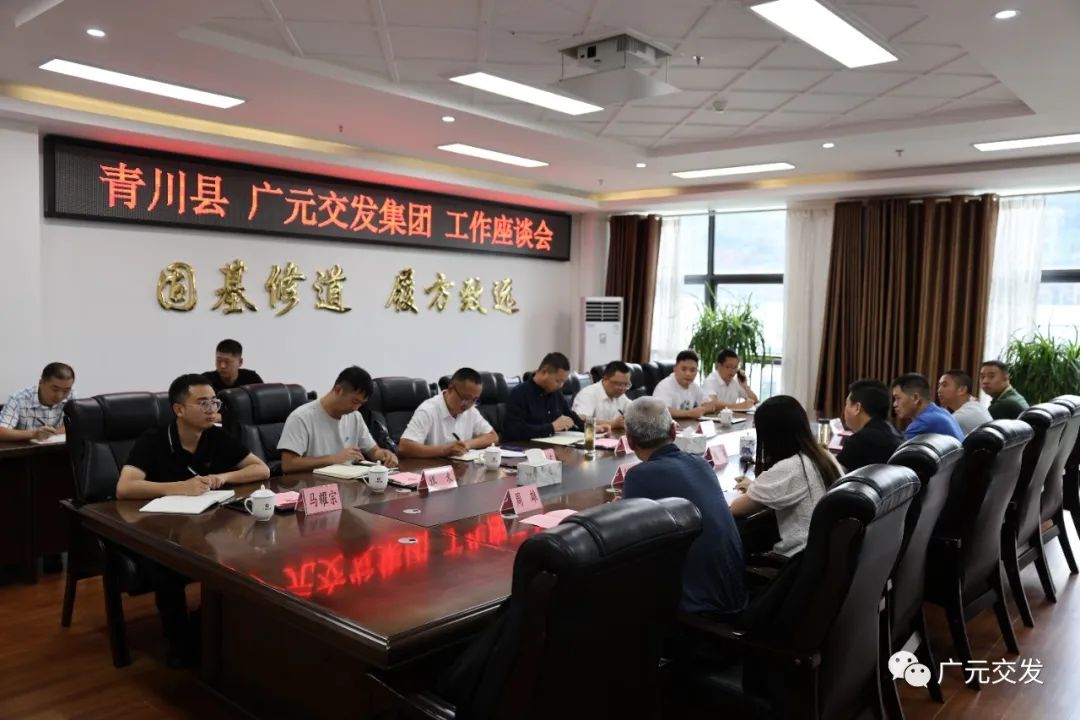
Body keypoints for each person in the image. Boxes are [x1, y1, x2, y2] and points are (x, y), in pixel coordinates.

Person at [116, 373, 270, 666]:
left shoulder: (216, 435)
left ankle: (210, 626)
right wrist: (178, 487)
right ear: (179, 409)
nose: (212, 409)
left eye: (214, 402)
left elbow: (261, 469)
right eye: (203, 403)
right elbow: (125, 487)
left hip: (202, 526)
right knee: (167, 570)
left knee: (242, 555)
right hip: (155, 529)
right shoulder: (154, 440)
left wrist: (221, 477)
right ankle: (179, 643)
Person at [622, 397, 747, 617]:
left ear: (630, 442)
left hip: (697, 608)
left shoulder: (638, 476)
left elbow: (627, 541)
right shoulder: (701, 463)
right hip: (736, 595)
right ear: (673, 431)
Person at [730, 395, 843, 556]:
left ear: (771, 435)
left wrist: (755, 488)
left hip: (797, 560)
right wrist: (756, 487)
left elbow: (736, 509)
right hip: (825, 556)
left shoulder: (790, 468)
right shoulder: (824, 456)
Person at [278, 366, 398, 472]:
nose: (356, 408)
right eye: (354, 401)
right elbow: (288, 464)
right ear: (338, 390)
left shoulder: (355, 417)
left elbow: (373, 451)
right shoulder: (301, 417)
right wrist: (333, 459)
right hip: (315, 485)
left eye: (361, 404)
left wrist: (384, 455)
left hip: (350, 484)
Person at [398, 368, 499, 458]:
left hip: (460, 468)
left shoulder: (471, 410)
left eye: (474, 400)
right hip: (432, 468)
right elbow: (404, 447)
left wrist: (467, 444)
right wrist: (445, 450)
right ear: (450, 388)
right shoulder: (428, 410)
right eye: (465, 398)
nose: (468, 405)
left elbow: (493, 436)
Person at [504, 352, 583, 441]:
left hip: (554, 444)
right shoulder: (519, 393)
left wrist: (589, 427)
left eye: (563, 382)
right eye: (558, 381)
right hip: (527, 446)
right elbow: (514, 430)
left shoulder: (555, 393)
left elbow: (570, 415)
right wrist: (552, 427)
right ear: (544, 372)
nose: (561, 386)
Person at [837, 379, 904, 471]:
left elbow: (832, 473)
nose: (844, 410)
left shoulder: (861, 440)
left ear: (857, 408)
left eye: (847, 404)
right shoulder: (893, 430)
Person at [0, 362, 77, 442]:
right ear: (41, 382)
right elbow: (1, 432)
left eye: (66, 390)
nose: (59, 396)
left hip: (59, 448)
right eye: (55, 389)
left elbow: (77, 424)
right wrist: (33, 434)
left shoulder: (71, 396)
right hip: (26, 448)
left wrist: (54, 432)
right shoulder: (18, 399)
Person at [890, 373, 964, 441]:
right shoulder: (943, 412)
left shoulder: (923, 422)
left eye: (898, 398)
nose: (894, 404)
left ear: (916, 398)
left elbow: (899, 449)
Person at [651, 350, 719, 420]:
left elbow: (711, 405)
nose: (688, 374)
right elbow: (662, 411)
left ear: (697, 371)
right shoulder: (664, 386)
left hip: (686, 425)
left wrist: (701, 410)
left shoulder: (694, 386)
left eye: (692, 370)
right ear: (675, 369)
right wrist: (689, 413)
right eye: (683, 369)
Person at [572, 361, 632, 429]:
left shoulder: (620, 395)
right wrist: (612, 423)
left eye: (626, 384)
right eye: (618, 384)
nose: (623, 389)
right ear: (605, 379)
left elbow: (634, 411)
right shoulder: (588, 394)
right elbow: (581, 419)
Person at [937, 369, 993, 435]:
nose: (939, 390)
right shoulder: (974, 405)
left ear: (962, 390)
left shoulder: (962, 416)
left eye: (944, 385)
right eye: (939, 386)